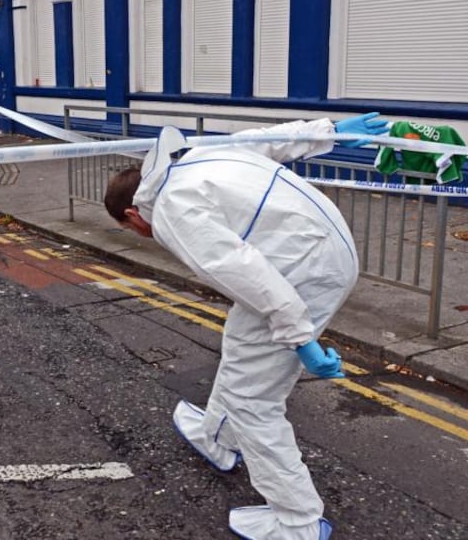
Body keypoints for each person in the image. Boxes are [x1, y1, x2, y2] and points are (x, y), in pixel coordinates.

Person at [103, 113, 388, 540]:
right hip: (318, 249)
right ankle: (215, 436)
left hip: (300, 270)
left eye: (130, 229)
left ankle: (298, 520)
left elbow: (245, 271)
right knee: (242, 343)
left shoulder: (172, 211)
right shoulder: (195, 158)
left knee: (254, 401)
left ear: (133, 213)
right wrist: (332, 128)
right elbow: (266, 140)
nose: (139, 234)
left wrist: (299, 338)